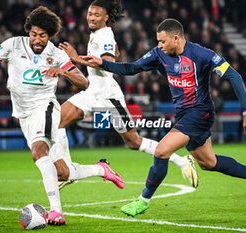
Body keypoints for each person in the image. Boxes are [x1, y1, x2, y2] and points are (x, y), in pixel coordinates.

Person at [82, 18, 246, 216]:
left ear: (176, 38)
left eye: (162, 41)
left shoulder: (202, 55)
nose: (159, 45)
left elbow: (234, 76)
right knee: (209, 163)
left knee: (161, 151)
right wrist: (103, 64)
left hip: (200, 113)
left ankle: (142, 201)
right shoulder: (159, 54)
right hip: (184, 115)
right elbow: (132, 68)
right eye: (157, 41)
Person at [0, 6, 124, 226]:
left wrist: (63, 71)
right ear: (29, 31)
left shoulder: (56, 54)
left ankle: (56, 212)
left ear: (50, 36)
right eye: (34, 34)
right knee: (63, 173)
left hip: (45, 109)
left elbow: (84, 83)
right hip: (24, 115)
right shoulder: (13, 44)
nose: (38, 39)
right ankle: (101, 169)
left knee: (39, 153)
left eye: (43, 36)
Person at [58, 0, 199, 188]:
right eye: (90, 14)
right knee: (56, 122)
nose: (91, 17)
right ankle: (69, 171)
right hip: (93, 92)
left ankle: (181, 161)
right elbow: (114, 55)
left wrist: (76, 58)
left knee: (133, 141)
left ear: (106, 17)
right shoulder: (98, 34)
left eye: (97, 15)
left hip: (108, 97)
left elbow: (107, 62)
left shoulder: (105, 35)